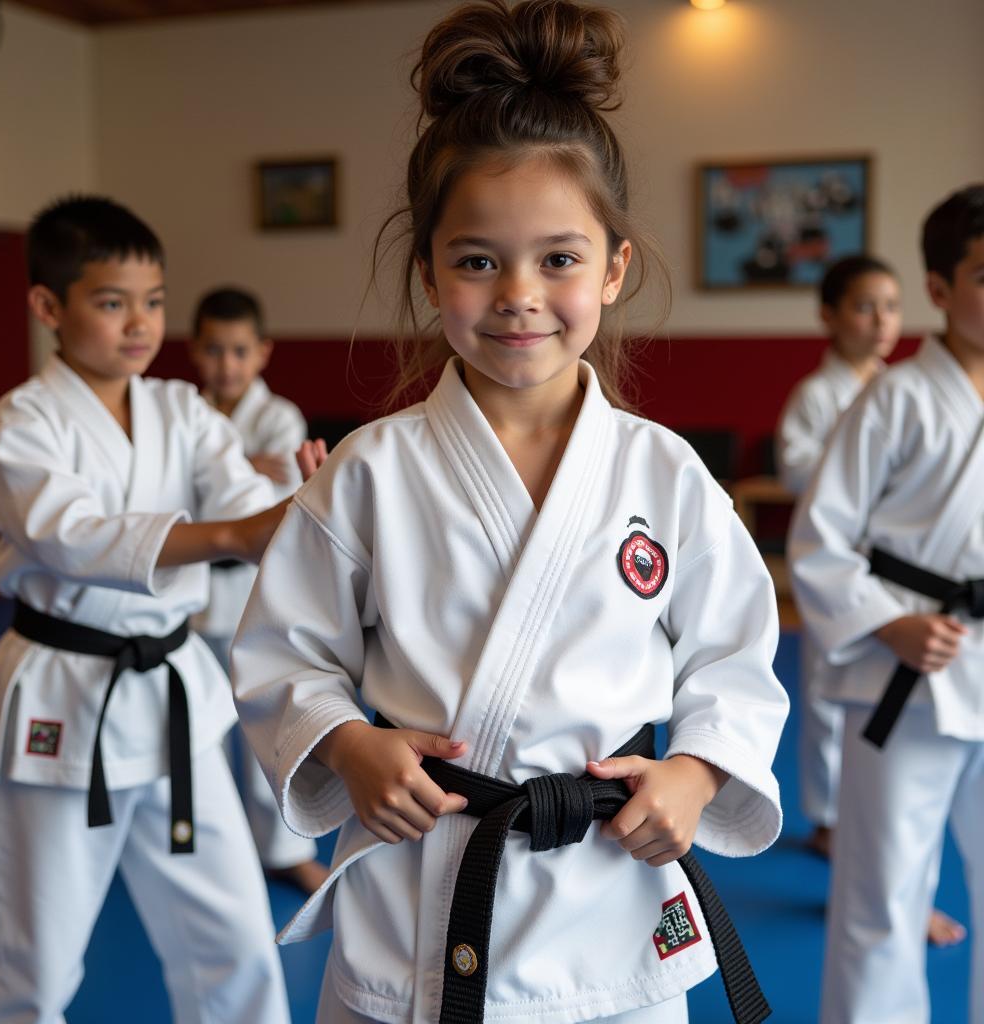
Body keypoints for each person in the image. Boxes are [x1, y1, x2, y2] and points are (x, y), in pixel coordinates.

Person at [232, 3, 789, 1023]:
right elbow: (281, 654)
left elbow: (735, 656)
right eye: (478, 259)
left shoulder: (663, 474)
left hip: (610, 895)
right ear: (429, 272)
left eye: (559, 259)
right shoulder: (367, 471)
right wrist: (350, 747)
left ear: (613, 268)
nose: (519, 295)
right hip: (426, 883)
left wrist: (698, 772)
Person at [0, 196, 300, 1024]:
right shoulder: (26, 421)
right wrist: (236, 528)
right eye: (112, 303)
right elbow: (69, 536)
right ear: (49, 307)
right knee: (34, 965)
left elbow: (245, 499)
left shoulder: (183, 411)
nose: (139, 324)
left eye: (152, 303)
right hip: (63, 697)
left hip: (173, 698)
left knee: (238, 941)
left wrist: (303, 496)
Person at [789, 182, 984, 1023]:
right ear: (940, 290)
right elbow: (819, 539)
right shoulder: (896, 398)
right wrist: (890, 623)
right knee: (884, 895)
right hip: (912, 671)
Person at [189, 285, 329, 894]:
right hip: (193, 598)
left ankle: (280, 850)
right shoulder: (185, 413)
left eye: (238, 351)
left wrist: (237, 469)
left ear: (262, 353)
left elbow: (269, 501)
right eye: (214, 350)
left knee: (261, 731)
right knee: (205, 732)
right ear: (196, 352)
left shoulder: (279, 418)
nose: (226, 365)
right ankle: (216, 842)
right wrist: (246, 466)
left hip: (250, 590)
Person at [776, 255, 901, 858]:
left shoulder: (899, 390)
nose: (881, 321)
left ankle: (872, 804)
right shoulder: (817, 394)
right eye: (864, 305)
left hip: (895, 567)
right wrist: (855, 464)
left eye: (891, 307)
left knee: (885, 687)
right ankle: (826, 815)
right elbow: (795, 468)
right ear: (829, 315)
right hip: (835, 556)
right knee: (827, 689)